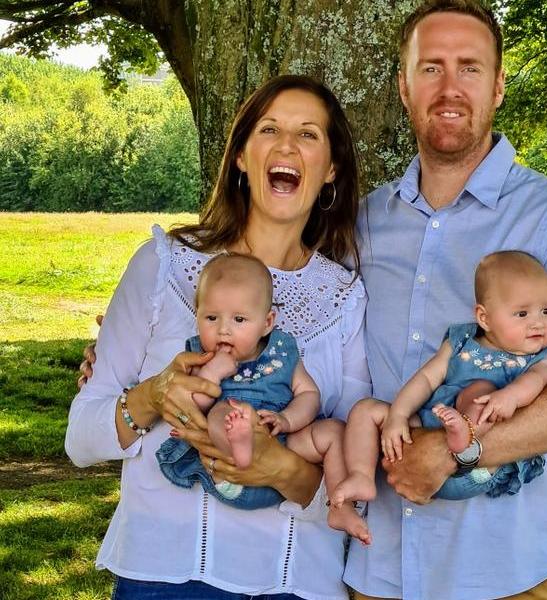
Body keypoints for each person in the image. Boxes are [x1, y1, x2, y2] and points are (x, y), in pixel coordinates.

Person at [343, 2, 547, 599]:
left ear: (499, 85)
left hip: (517, 573)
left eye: (470, 68)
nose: (450, 88)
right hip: (379, 573)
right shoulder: (361, 222)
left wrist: (458, 453)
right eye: (430, 67)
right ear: (404, 86)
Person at [66, 74, 371, 600]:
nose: (286, 146)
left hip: (297, 582)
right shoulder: (163, 268)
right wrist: (152, 396)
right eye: (269, 129)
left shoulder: (345, 298)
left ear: (332, 170)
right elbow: (80, 440)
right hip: (164, 576)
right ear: (240, 157)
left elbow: (355, 477)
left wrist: (280, 467)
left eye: (309, 135)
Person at [156, 252, 370, 543]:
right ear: (197, 316)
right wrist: (211, 375)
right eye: (211, 317)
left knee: (334, 432)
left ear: (267, 322)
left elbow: (308, 394)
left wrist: (287, 419)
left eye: (239, 319)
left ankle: (339, 506)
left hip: (284, 443)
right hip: (228, 466)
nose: (224, 329)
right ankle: (241, 445)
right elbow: (190, 409)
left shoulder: (282, 352)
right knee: (223, 413)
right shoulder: (199, 356)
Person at [332, 251, 547, 513]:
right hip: (430, 425)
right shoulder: (461, 342)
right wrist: (398, 415)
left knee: (480, 392)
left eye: (546, 310)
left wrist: (510, 396)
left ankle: (464, 438)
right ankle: (361, 476)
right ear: (484, 318)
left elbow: (535, 381)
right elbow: (427, 379)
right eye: (522, 314)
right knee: (365, 410)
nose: (538, 323)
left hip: (478, 465)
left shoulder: (541, 358)